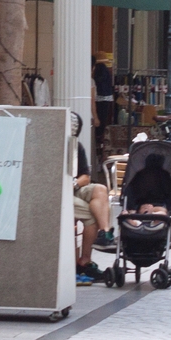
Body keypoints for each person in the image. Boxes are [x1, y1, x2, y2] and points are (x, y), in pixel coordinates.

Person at [68, 113, 112, 283]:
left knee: (100, 189)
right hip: (58, 192)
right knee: (92, 214)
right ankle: (83, 261)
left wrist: (74, 184)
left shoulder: (76, 147)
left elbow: (85, 176)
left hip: (73, 188)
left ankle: (105, 232)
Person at [92, 55, 117, 150]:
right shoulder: (106, 69)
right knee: (104, 118)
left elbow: (99, 81)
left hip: (100, 97)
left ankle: (98, 139)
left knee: (101, 118)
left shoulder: (100, 69)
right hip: (106, 97)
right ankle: (100, 140)